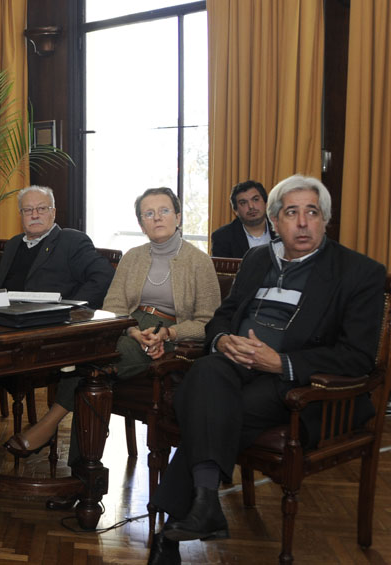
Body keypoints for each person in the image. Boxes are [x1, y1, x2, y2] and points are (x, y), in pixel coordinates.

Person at [147, 175, 386, 564]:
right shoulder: (258, 260)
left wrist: (282, 362)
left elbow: (359, 357)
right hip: (235, 366)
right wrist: (223, 340)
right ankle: (205, 506)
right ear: (275, 221)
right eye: (292, 213)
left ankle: (171, 533)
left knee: (208, 409)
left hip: (296, 384)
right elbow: (222, 317)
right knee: (206, 372)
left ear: (325, 219)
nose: (303, 222)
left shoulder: (359, 272)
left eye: (313, 212)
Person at [5, 187, 219, 510]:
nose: (156, 218)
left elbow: (208, 322)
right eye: (148, 214)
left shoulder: (199, 262)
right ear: (141, 223)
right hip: (129, 329)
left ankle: (54, 432)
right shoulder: (133, 256)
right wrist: (133, 330)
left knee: (92, 371)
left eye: (163, 211)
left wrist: (168, 334)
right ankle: (82, 479)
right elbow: (114, 305)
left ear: (177, 216)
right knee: (89, 366)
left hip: (174, 340)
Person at [0, 185, 116, 463]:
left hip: (45, 333)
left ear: (53, 211)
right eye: (28, 210)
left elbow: (102, 277)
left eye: (41, 208)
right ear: (20, 215)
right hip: (5, 327)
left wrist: (67, 309)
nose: (35, 215)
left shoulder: (71, 241)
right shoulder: (15, 244)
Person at [211, 180, 276, 258]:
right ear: (236, 211)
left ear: (266, 203)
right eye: (243, 203)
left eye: (255, 199)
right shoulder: (222, 237)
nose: (251, 206)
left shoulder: (282, 230)